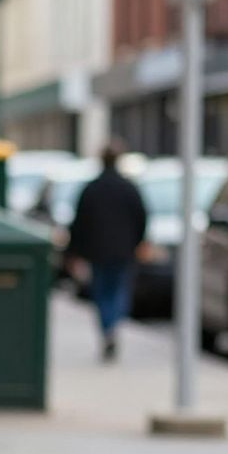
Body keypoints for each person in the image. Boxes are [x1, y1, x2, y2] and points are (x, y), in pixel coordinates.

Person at [66, 139, 147, 361]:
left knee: (102, 293)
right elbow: (141, 218)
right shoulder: (128, 188)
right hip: (122, 251)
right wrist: (138, 243)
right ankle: (112, 327)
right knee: (118, 290)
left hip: (98, 252)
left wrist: (73, 253)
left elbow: (78, 223)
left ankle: (107, 328)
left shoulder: (92, 189)